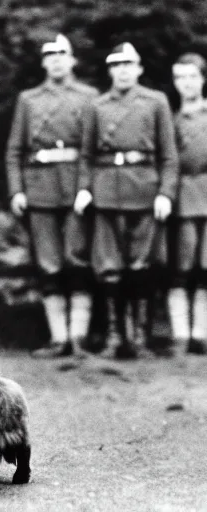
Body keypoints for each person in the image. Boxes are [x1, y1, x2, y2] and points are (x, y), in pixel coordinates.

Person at [76, 43, 179, 358]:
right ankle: (113, 337)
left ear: (139, 68)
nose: (123, 70)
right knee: (109, 268)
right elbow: (87, 154)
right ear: (110, 70)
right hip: (107, 191)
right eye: (116, 64)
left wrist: (165, 192)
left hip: (145, 191)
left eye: (128, 64)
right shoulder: (97, 105)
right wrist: (85, 187)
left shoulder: (155, 101)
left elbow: (169, 154)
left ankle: (139, 338)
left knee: (142, 266)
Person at [5, 35, 99, 358]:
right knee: (49, 263)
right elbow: (15, 150)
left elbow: (93, 149)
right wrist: (17, 189)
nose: (57, 60)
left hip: (76, 187)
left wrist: (87, 187)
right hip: (40, 187)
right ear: (44, 62)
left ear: (72, 60)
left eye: (63, 54)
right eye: (51, 55)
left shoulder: (89, 97)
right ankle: (58, 338)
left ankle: (79, 337)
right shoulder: (28, 100)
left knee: (77, 258)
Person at [167, 52, 207, 356]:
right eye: (180, 77)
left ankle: (202, 332)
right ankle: (180, 335)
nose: (186, 83)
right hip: (181, 198)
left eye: (192, 76)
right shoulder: (170, 119)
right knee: (181, 267)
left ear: (203, 79)